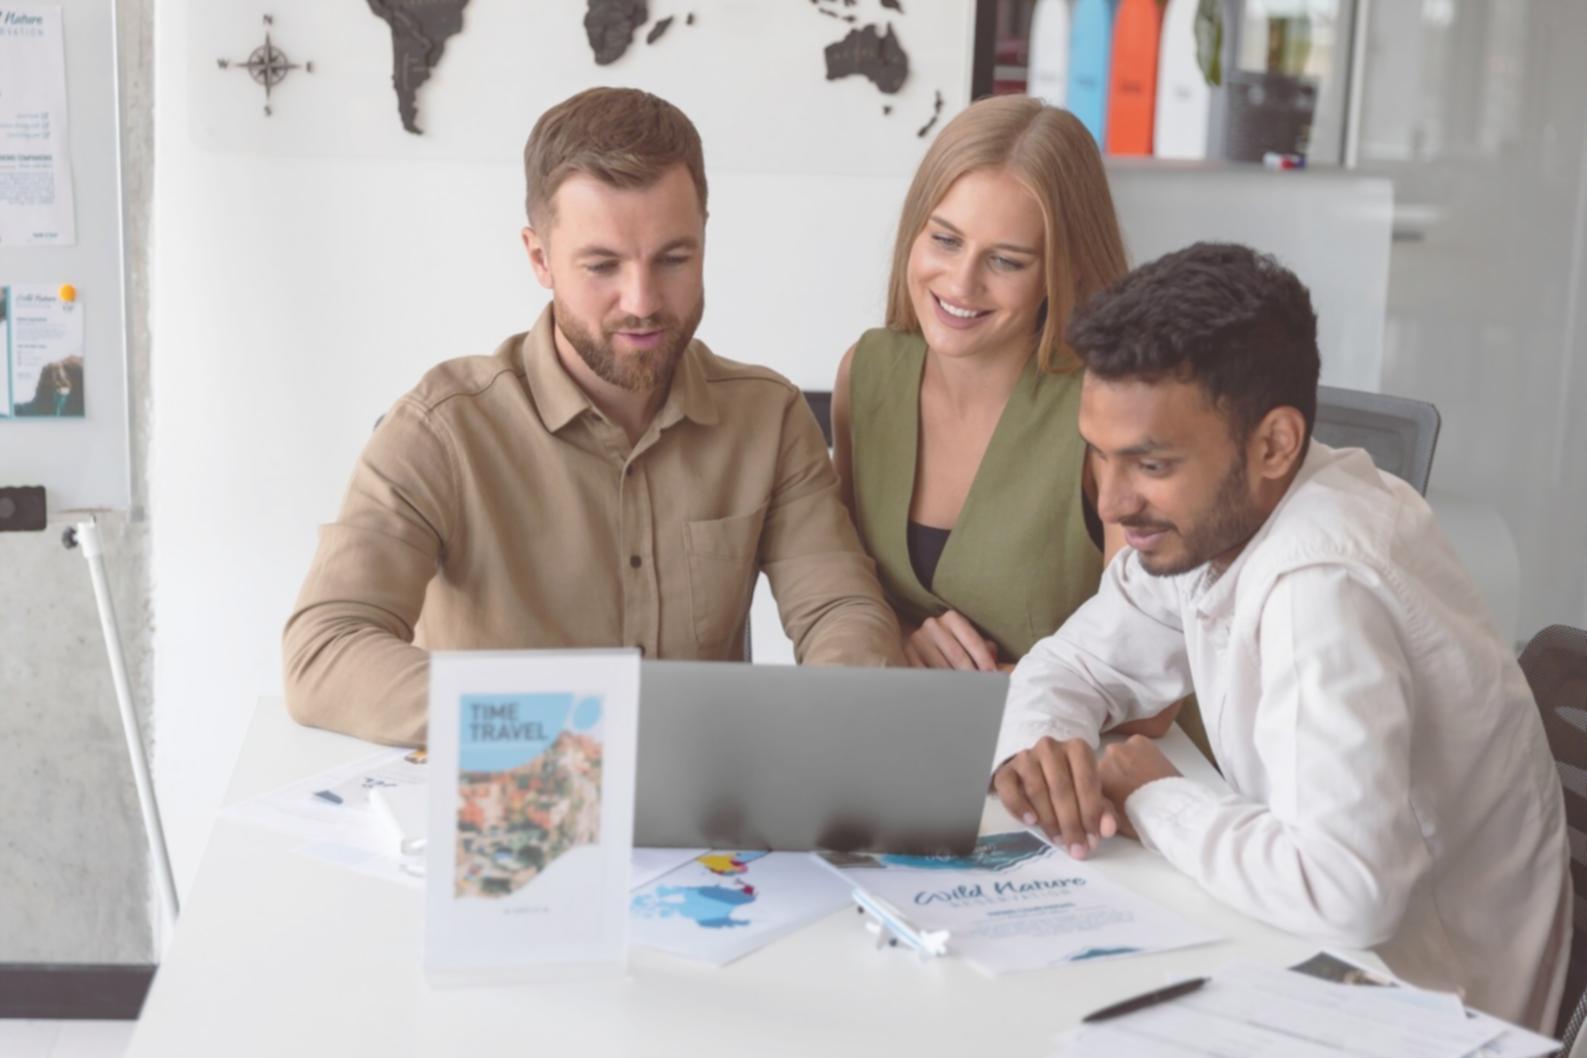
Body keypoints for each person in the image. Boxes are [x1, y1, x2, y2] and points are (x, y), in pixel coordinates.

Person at [992, 241, 1569, 1029]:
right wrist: (1041, 746)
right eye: (1098, 456)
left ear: (1273, 444)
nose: (1110, 503)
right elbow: (1074, 663)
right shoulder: (1220, 518)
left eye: (1149, 465)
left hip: (1432, 1013)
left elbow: (1345, 894)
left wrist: (1152, 794)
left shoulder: (1320, 583)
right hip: (1317, 967)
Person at [283, 87, 903, 746]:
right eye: (602, 265)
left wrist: (823, 730)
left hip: (703, 796)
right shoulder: (440, 430)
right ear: (539, 258)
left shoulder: (767, 417)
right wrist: (567, 728)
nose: (641, 301)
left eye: (673, 259)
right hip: (516, 789)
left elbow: (841, 611)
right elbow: (323, 653)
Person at [832, 94, 1126, 670]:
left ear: (1065, 271)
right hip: (915, 721)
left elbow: (1149, 675)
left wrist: (995, 685)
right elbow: (845, 592)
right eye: (945, 239)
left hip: (1080, 728)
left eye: (1006, 261)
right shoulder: (865, 375)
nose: (961, 283)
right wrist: (899, 635)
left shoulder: (1112, 408)